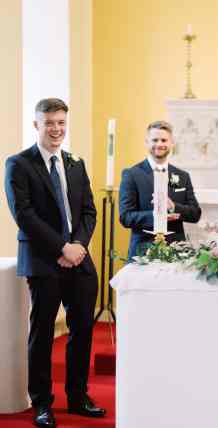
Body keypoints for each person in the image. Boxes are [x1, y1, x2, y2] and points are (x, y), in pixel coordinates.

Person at [4, 98, 106, 428]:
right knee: (43, 333)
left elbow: (89, 210)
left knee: (82, 331)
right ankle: (42, 404)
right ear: (37, 125)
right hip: (43, 262)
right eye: (49, 122)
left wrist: (77, 246)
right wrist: (61, 246)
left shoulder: (75, 163)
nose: (56, 129)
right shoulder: (18, 164)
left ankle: (78, 397)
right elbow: (25, 215)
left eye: (61, 122)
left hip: (79, 261)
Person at [119, 120, 201, 259]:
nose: (159, 144)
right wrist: (158, 217)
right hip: (142, 252)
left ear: (171, 143)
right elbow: (125, 217)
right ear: (146, 142)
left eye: (164, 140)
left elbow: (195, 214)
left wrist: (174, 206)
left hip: (177, 253)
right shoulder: (131, 174)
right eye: (155, 140)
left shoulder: (182, 176)